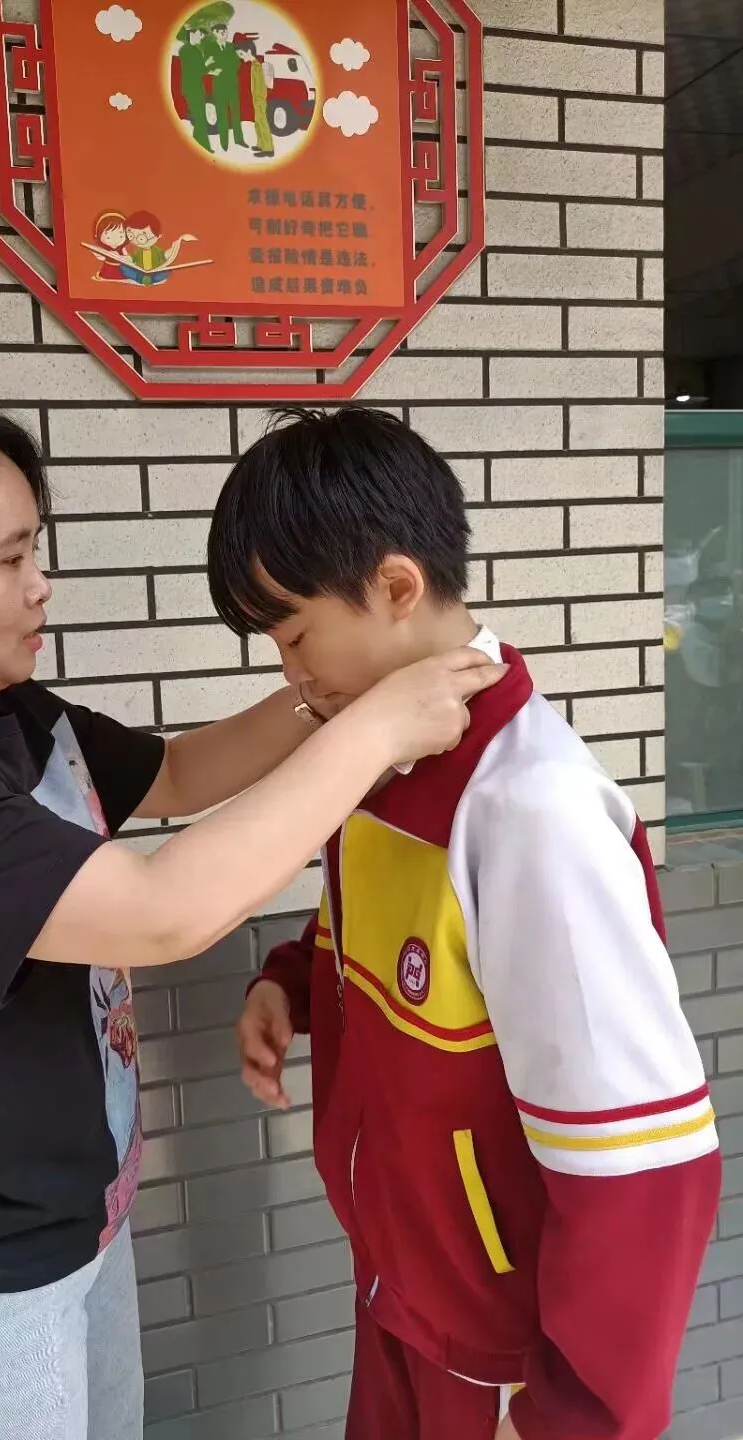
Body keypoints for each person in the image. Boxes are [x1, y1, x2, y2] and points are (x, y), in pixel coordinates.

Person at [0, 401, 502, 1440]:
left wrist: (340, 682)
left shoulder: (10, 714)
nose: (40, 583)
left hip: (71, 1236)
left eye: (34, 550)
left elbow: (180, 772)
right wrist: (376, 729)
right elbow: (161, 914)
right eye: (10, 558)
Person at [213, 407, 722, 1440]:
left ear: (397, 588)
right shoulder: (384, 757)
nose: (289, 672)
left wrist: (578, 1419)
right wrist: (291, 983)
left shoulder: (531, 807)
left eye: (295, 633)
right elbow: (370, 924)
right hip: (400, 1287)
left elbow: (643, 1163)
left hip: (495, 1355)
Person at [205, 22, 245, 151]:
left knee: (235, 113)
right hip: (219, 85)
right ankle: (224, 143)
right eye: (221, 31)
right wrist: (218, 67)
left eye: (225, 31)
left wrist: (223, 65)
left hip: (232, 84)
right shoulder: (210, 47)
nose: (224, 33)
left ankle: (239, 140)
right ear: (215, 33)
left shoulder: (231, 47)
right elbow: (207, 63)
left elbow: (237, 62)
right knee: (222, 114)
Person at [233, 33, 274, 157]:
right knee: (257, 122)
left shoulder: (257, 66)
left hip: (259, 99)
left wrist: (259, 98)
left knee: (262, 122)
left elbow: (261, 85)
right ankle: (261, 144)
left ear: (249, 51)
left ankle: (268, 149)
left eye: (241, 54)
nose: (241, 57)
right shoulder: (251, 66)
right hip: (255, 99)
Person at [177, 24, 212, 152]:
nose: (201, 37)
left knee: (199, 116)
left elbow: (199, 69)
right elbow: (197, 70)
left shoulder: (194, 50)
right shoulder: (186, 50)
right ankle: (203, 145)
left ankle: (200, 144)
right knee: (199, 117)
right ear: (191, 34)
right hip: (192, 87)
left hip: (196, 86)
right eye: (200, 34)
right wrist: (207, 64)